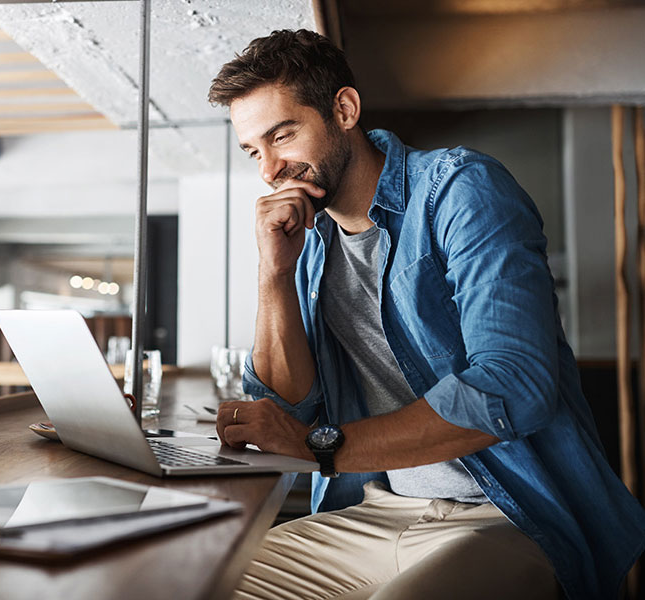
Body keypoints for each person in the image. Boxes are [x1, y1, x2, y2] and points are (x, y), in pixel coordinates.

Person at [208, 29, 645, 600]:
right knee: (200, 582)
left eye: (283, 135)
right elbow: (288, 407)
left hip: (506, 515)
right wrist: (274, 273)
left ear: (344, 109)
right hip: (375, 509)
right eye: (253, 151)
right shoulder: (309, 241)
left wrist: (324, 446)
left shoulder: (461, 189)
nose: (270, 170)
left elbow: (515, 385)